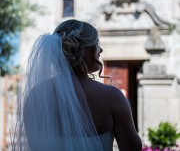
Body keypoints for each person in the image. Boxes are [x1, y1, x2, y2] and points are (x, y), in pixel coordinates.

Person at [11, 19, 142, 151]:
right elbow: (132, 148)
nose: (100, 50)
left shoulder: (36, 96)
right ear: (85, 51)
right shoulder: (112, 96)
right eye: (96, 44)